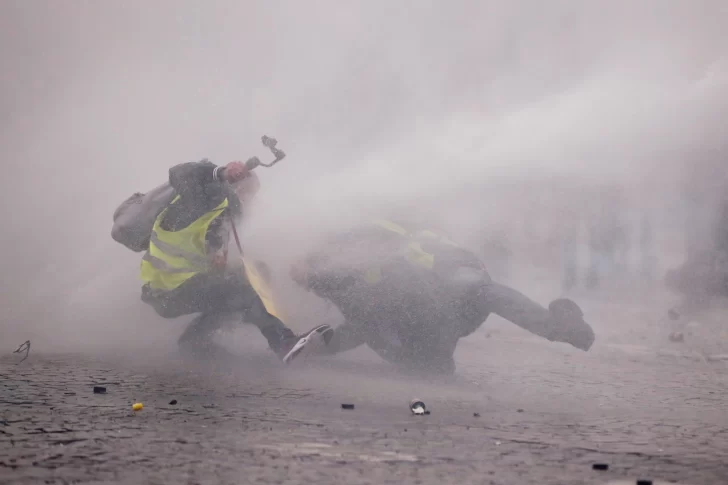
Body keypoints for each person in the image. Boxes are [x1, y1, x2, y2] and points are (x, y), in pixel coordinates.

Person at [290, 219, 595, 374]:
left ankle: (558, 328)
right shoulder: (387, 248)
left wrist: (317, 346)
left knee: (473, 294)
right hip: (450, 298)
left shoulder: (364, 256)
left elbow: (362, 321)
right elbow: (361, 323)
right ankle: (557, 327)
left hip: (440, 299)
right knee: (479, 293)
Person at [138, 158, 332, 363]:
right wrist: (220, 172)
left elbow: (202, 257)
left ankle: (194, 341)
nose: (250, 202)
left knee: (252, 276)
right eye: (249, 194)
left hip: (179, 287)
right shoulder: (198, 203)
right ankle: (283, 343)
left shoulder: (217, 220)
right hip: (168, 290)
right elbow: (178, 173)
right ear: (235, 188)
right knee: (243, 289)